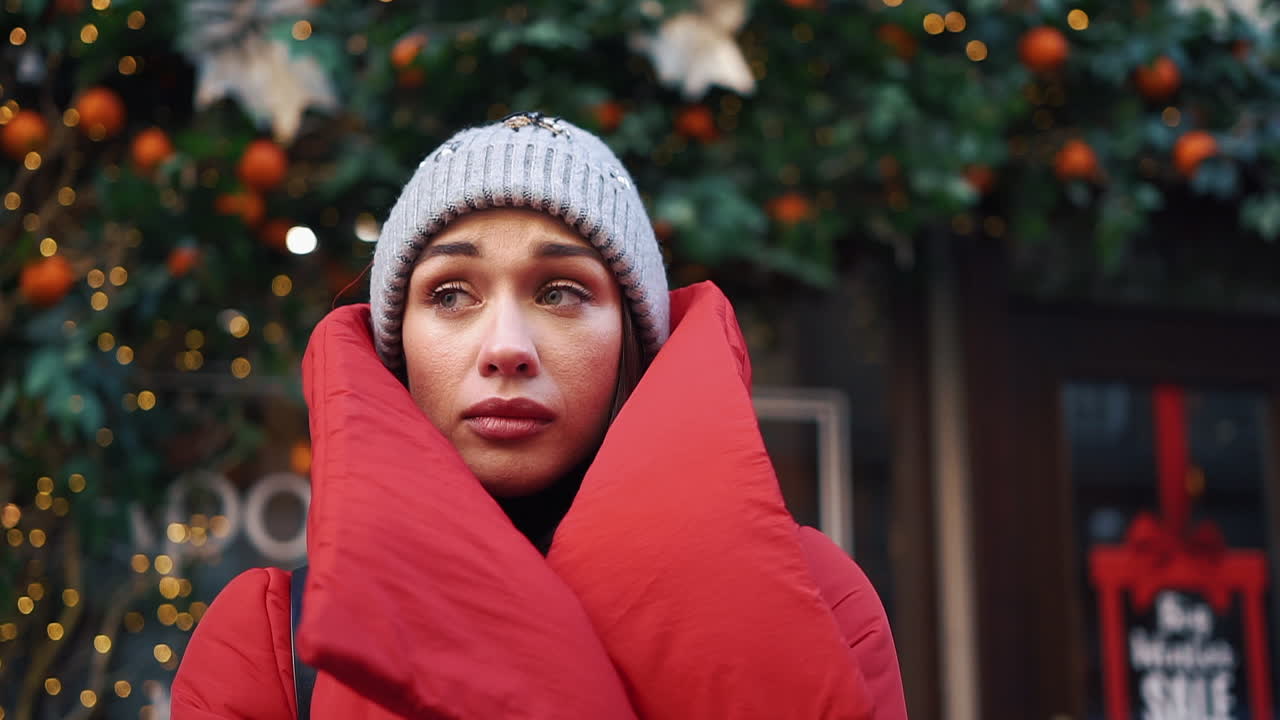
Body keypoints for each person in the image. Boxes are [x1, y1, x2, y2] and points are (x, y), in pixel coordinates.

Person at [171, 113, 907, 719]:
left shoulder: (819, 604)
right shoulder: (273, 641)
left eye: (559, 292)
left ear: (632, 338)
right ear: (397, 348)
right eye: (452, 294)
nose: (506, 348)